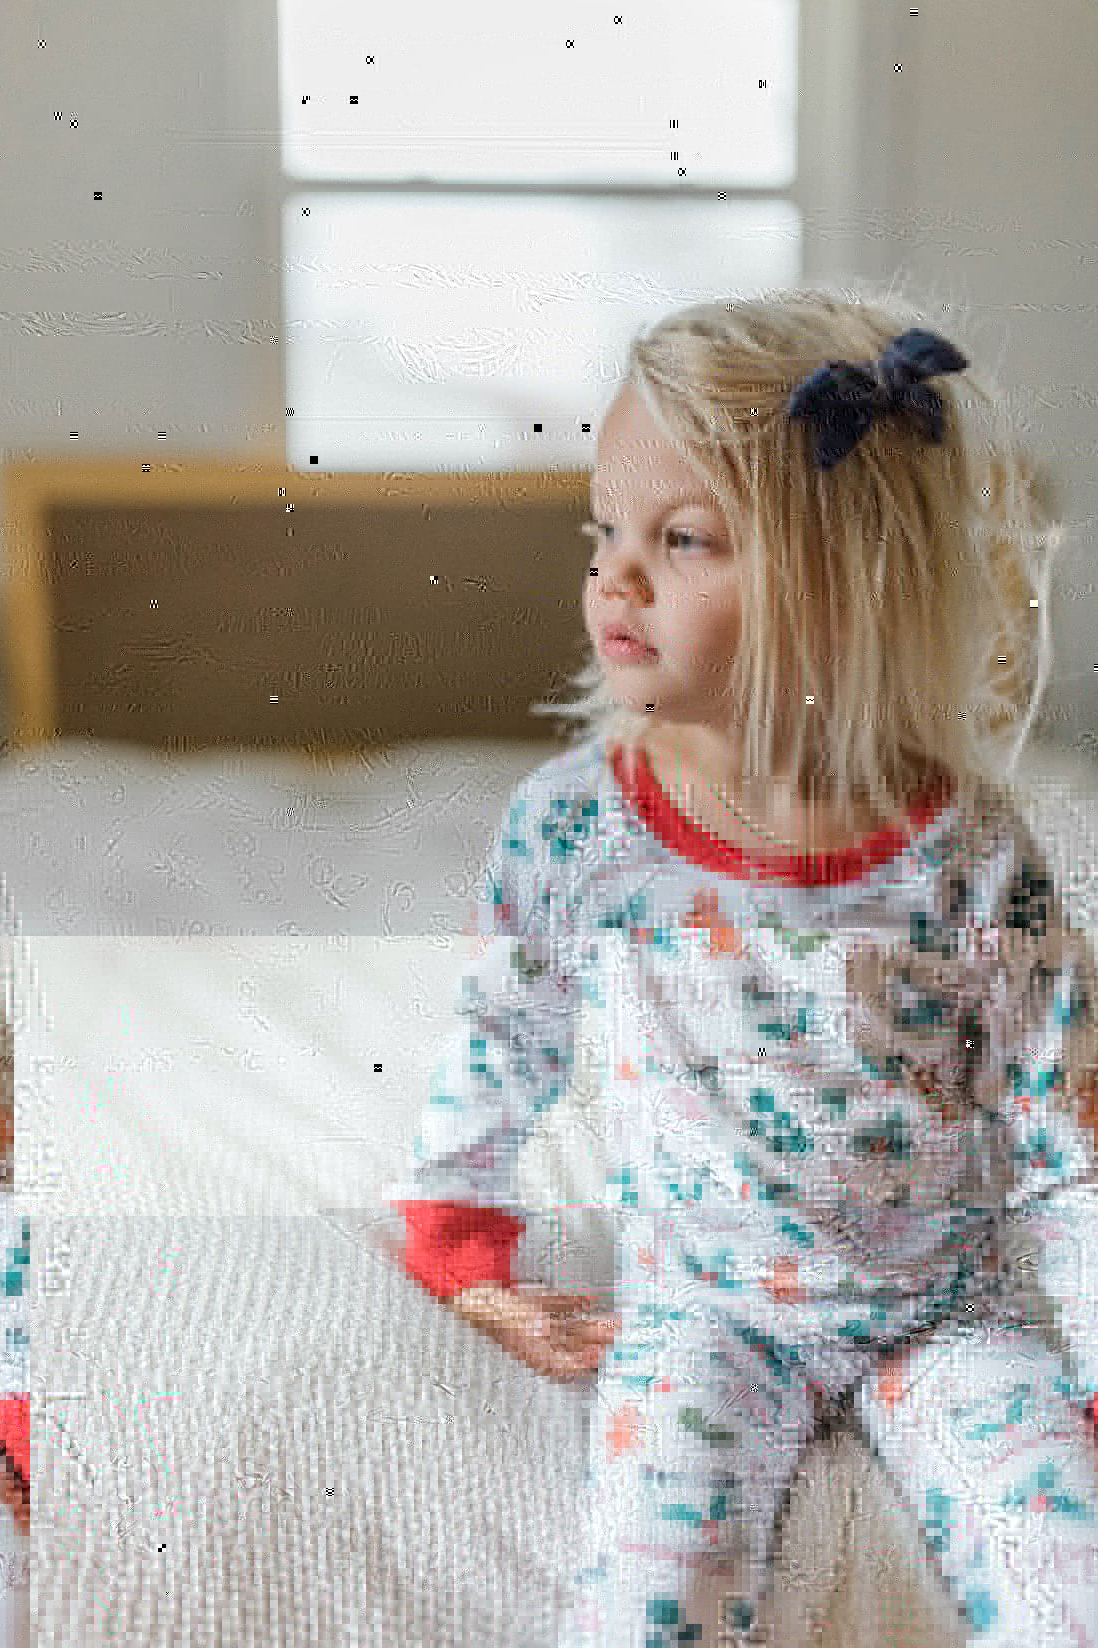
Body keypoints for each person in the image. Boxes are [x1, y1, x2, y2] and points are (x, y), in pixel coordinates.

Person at [378, 282, 1098, 1646]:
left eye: (684, 539)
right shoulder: (578, 827)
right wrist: (460, 1244)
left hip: (951, 1306)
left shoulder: (972, 853)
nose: (614, 578)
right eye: (607, 533)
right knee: (651, 1607)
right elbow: (499, 1044)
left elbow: (1064, 1137)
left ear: (846, 586)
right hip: (704, 1306)